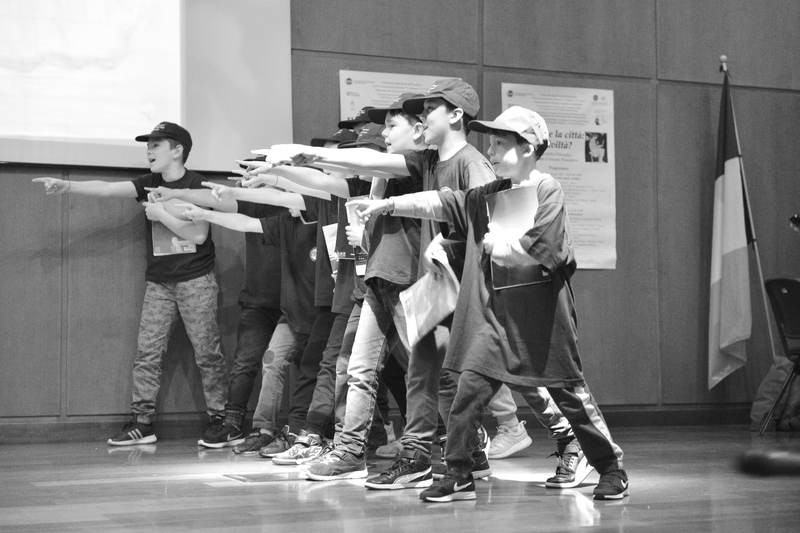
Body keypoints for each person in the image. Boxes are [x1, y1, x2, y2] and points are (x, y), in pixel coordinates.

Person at [348, 106, 628, 502]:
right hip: (494, 318)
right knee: (468, 394)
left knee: (570, 396)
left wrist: (504, 246)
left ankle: (611, 468)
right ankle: (459, 473)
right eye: (491, 143)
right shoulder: (490, 194)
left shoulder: (548, 189)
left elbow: (545, 247)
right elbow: (444, 202)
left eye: (499, 144)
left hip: (543, 319)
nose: (491, 151)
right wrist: (389, 205)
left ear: (527, 148)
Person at [274, 81, 498, 486]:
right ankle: (363, 451)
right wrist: (302, 159)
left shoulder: (455, 162)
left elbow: (483, 214)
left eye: (395, 124)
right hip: (386, 280)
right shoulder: (425, 162)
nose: (383, 133)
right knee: (368, 369)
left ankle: (468, 449)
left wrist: (312, 156)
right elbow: (358, 167)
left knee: (444, 374)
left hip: (427, 282)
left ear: (450, 117)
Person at [33, 122, 228, 446]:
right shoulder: (149, 183)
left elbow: (198, 235)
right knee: (147, 353)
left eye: (156, 145)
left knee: (207, 353)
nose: (149, 151)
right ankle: (142, 423)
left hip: (196, 281)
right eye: (147, 145)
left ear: (177, 150)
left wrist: (161, 214)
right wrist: (67, 186)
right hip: (159, 283)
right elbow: (107, 189)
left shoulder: (196, 186)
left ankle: (220, 420)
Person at [141, 180, 286, 448]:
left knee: (284, 364)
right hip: (257, 300)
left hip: (294, 302)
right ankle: (232, 424)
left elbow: (226, 216)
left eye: (258, 175)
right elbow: (223, 206)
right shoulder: (253, 205)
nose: (249, 179)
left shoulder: (297, 206)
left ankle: (289, 429)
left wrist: (186, 207)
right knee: (244, 364)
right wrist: (177, 195)